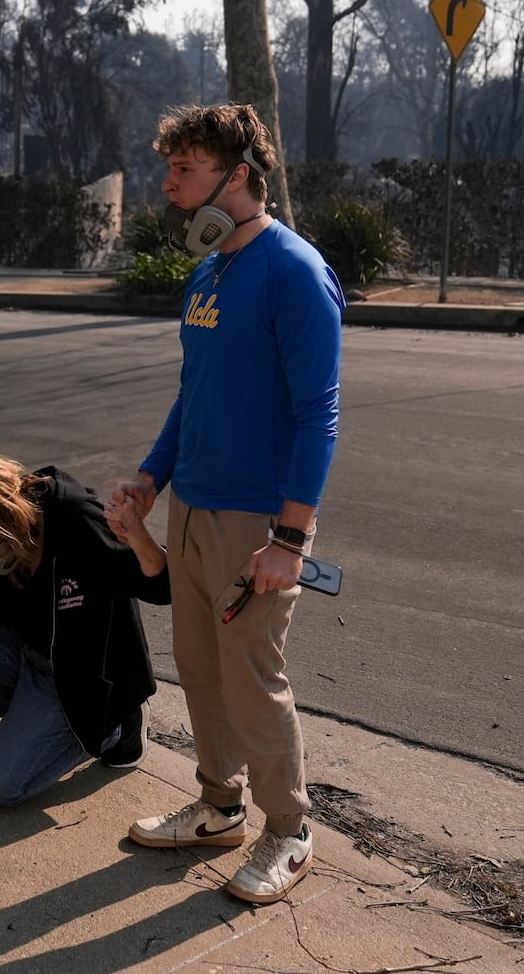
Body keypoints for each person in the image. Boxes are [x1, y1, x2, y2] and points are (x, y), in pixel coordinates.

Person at [108, 103, 344, 904]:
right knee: (201, 670)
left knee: (253, 678)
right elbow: (194, 395)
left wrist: (291, 537)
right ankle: (217, 807)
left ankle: (291, 830)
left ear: (236, 176)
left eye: (185, 169)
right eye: (169, 168)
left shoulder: (294, 270)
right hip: (194, 506)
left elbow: (319, 414)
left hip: (258, 522)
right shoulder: (206, 273)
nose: (168, 184)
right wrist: (150, 477)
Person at [0, 454, 167, 808]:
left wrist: (138, 535)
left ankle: (119, 727)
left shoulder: (76, 520)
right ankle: (33, 724)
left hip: (80, 676)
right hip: (26, 652)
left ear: (4, 515)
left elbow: (162, 589)